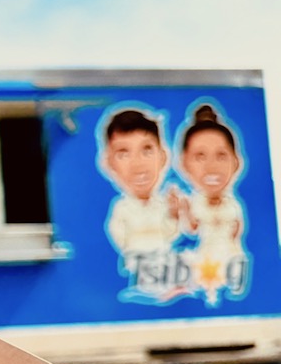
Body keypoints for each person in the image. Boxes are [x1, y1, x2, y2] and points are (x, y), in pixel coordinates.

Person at [175, 104, 245, 302]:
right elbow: (193, 228)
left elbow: (237, 228)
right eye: (200, 157)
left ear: (236, 162)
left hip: (231, 252)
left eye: (221, 156)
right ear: (184, 164)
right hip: (206, 251)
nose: (211, 166)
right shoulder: (194, 202)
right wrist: (183, 211)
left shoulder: (233, 204)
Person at [100, 108, 180, 256]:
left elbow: (171, 233)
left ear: (163, 157)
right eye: (124, 154)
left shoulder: (162, 205)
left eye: (147, 150)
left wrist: (173, 214)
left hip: (166, 265)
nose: (137, 164)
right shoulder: (122, 208)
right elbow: (118, 235)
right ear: (109, 163)